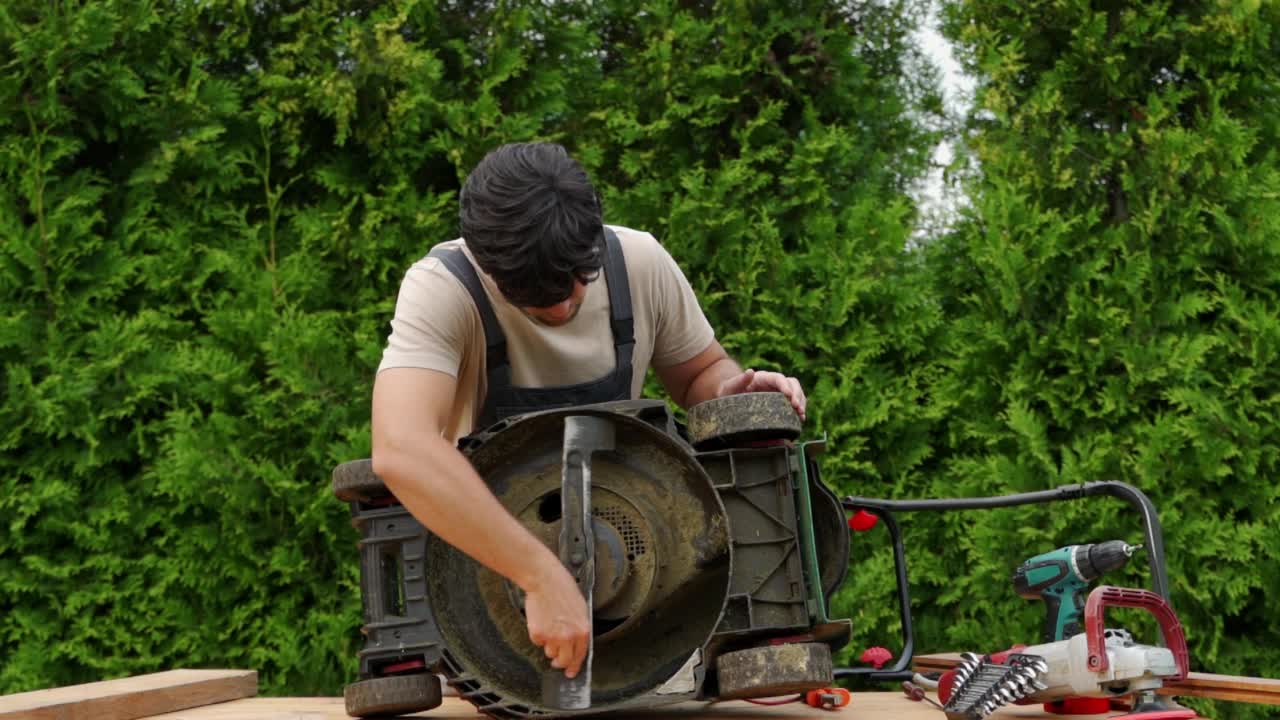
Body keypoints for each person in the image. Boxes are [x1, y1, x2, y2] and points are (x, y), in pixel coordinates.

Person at [370, 142, 806, 683]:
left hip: (646, 594)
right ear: (487, 264)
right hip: (499, 620)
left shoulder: (639, 261)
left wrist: (732, 391)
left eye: (574, 286)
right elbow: (401, 448)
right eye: (536, 300)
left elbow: (699, 374)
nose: (558, 307)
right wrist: (540, 575)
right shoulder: (443, 288)